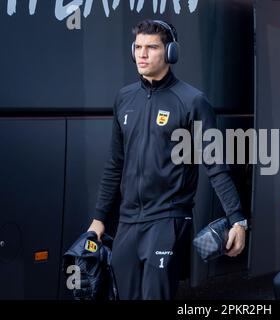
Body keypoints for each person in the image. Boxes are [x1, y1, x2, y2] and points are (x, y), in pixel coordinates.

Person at [87, 19, 247, 300]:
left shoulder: (192, 101)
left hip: (168, 220)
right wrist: (99, 220)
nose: (142, 54)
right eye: (137, 47)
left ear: (171, 53)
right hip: (127, 223)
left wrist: (237, 221)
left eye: (151, 47)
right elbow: (115, 164)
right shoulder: (124, 99)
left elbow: (216, 165)